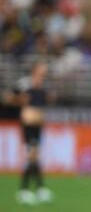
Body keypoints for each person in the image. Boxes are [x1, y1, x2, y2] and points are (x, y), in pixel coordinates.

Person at [8, 61, 54, 205]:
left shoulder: (43, 87)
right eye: (42, 69)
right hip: (28, 125)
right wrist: (20, 100)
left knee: (34, 157)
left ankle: (38, 189)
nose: (44, 72)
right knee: (32, 156)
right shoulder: (24, 84)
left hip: (38, 125)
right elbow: (9, 98)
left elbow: (44, 103)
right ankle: (25, 190)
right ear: (35, 70)